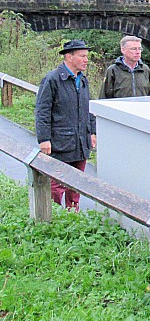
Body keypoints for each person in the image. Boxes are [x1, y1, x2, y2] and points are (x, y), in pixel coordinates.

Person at [35, 39, 96, 210]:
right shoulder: (52, 79)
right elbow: (42, 110)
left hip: (80, 141)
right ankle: (53, 216)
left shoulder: (83, 80)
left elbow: (88, 108)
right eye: (82, 56)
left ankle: (72, 215)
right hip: (61, 142)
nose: (86, 60)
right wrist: (44, 138)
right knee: (57, 184)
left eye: (87, 56)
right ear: (69, 57)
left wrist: (92, 132)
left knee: (76, 184)